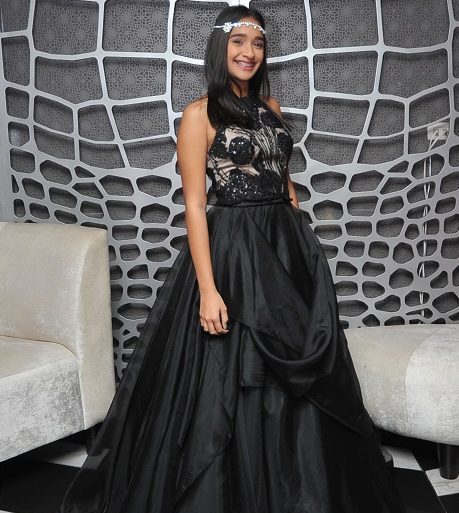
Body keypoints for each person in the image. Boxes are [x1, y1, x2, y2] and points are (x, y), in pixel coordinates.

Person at [58, 5, 406, 513]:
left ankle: (300, 484)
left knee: (299, 365)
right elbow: (195, 206)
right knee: (235, 371)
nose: (249, 52)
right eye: (239, 42)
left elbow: (283, 177)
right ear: (220, 49)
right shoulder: (199, 115)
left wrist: (299, 234)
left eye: (258, 43)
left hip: (285, 249)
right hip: (235, 253)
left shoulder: (272, 107)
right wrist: (208, 289)